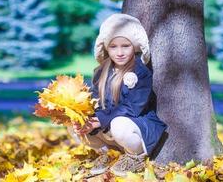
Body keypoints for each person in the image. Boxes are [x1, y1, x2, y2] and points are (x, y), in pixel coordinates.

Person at [67, 13, 167, 177]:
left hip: (134, 125)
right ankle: (105, 154)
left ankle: (135, 157)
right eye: (113, 47)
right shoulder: (102, 71)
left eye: (125, 46)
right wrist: (86, 117)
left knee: (119, 124)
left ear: (134, 47)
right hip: (108, 126)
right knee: (75, 123)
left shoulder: (140, 72)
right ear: (106, 48)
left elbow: (132, 108)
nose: (119, 52)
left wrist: (99, 120)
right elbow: (93, 100)